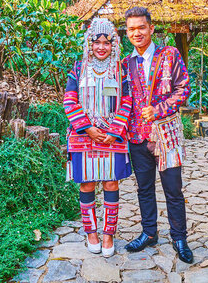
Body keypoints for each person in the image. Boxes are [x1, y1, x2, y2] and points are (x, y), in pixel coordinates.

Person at [122, 6, 194, 264]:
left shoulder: (169, 55)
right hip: (137, 136)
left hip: (167, 135)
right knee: (144, 188)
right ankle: (149, 233)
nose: (137, 33)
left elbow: (183, 88)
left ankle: (179, 238)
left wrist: (160, 109)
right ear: (126, 32)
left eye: (142, 27)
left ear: (151, 28)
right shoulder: (125, 64)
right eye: (131, 29)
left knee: (173, 189)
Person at [63, 18, 132, 258]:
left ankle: (108, 234)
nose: (101, 47)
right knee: (87, 184)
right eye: (97, 42)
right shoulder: (78, 68)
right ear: (89, 44)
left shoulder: (120, 70)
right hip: (84, 137)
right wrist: (88, 128)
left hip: (112, 138)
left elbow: (127, 102)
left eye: (106, 42)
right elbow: (69, 100)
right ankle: (91, 232)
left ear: (114, 44)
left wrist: (113, 132)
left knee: (111, 183)